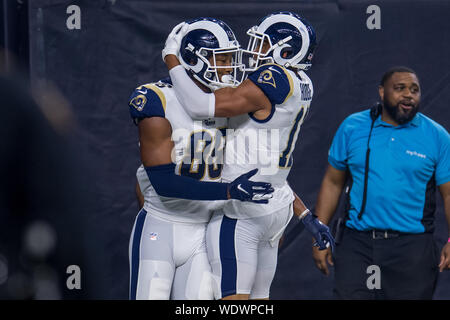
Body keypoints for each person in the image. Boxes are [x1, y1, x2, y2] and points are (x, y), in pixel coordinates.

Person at [163, 11, 334, 300]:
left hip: (241, 212)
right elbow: (266, 170)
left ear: (285, 50)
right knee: (259, 300)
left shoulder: (274, 78)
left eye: (264, 43)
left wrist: (171, 58)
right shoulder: (302, 82)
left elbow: (200, 106)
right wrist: (305, 215)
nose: (255, 49)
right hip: (275, 206)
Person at [128, 18, 274, 300]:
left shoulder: (230, 102)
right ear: (195, 60)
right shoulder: (156, 98)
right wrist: (228, 191)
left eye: (231, 58)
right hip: (162, 225)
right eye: (223, 59)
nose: (230, 66)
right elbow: (163, 182)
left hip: (204, 232)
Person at [313, 66, 450, 299]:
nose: (408, 94)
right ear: (382, 92)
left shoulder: (437, 136)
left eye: (414, 90)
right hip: (358, 244)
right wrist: (320, 235)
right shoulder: (353, 127)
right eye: (400, 88)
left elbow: (448, 194)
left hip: (411, 249)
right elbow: (333, 182)